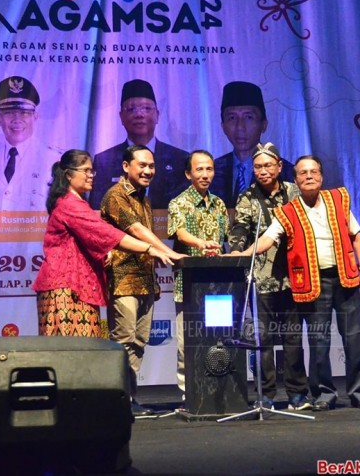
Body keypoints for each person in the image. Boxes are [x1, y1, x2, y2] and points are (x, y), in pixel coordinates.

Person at [32, 150, 174, 416]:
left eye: (91, 170)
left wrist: (105, 253)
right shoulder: (69, 204)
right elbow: (109, 233)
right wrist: (150, 249)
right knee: (71, 351)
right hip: (65, 287)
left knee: (86, 350)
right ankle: (70, 410)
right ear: (68, 174)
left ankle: (84, 407)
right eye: (86, 170)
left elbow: (91, 240)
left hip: (79, 286)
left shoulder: (79, 203)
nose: (91, 176)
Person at [237, 155, 360, 410]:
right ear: (296, 179)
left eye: (313, 172)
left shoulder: (338, 200)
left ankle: (359, 392)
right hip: (314, 283)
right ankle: (324, 393)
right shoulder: (288, 211)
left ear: (321, 176)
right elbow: (267, 239)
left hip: (346, 278)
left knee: (353, 338)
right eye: (303, 173)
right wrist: (242, 253)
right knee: (318, 341)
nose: (309, 176)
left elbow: (355, 234)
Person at [100, 145, 186, 416]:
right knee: (123, 340)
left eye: (152, 166)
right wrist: (167, 250)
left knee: (139, 341)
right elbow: (135, 231)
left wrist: (159, 254)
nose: (148, 170)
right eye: (142, 165)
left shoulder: (145, 199)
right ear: (126, 167)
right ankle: (117, 399)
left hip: (145, 280)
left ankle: (129, 398)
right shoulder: (115, 196)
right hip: (122, 278)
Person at [228, 143, 310, 411]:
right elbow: (239, 227)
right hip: (261, 277)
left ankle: (298, 394)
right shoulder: (247, 197)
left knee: (292, 338)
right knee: (263, 340)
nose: (262, 171)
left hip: (294, 276)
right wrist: (238, 250)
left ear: (278, 167)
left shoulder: (294, 191)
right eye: (257, 167)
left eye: (267, 166)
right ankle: (267, 395)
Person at [167, 150, 230, 395]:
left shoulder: (219, 204)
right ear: (188, 173)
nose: (205, 175)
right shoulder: (178, 203)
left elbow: (225, 240)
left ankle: (219, 389)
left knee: (217, 338)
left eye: (209, 169)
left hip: (218, 285)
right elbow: (180, 234)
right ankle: (188, 393)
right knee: (188, 341)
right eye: (199, 169)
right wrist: (201, 244)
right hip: (189, 284)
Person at [89, 79, 189, 210]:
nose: (139, 114)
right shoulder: (104, 161)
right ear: (121, 117)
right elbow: (97, 208)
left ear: (157, 115)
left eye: (146, 108)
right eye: (131, 109)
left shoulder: (180, 159)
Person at [0, 75, 61, 211]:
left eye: (24, 113)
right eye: (9, 112)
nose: (17, 119)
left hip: (35, 232)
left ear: (35, 117)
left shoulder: (54, 160)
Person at [209, 81, 294, 209]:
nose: (240, 127)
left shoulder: (286, 172)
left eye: (249, 117)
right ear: (223, 127)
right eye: (232, 118)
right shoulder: (211, 172)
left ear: (263, 124)